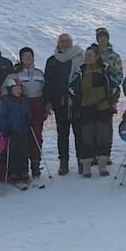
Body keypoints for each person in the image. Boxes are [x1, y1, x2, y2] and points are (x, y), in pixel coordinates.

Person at [68, 45, 119, 178]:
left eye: (90, 55)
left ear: (97, 57)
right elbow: (71, 88)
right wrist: (78, 99)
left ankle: (102, 165)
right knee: (86, 138)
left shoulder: (105, 70)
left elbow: (115, 86)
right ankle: (86, 167)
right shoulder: (80, 72)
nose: (87, 58)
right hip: (86, 109)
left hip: (103, 109)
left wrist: (111, 98)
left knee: (103, 137)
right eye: (86, 55)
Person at [44, 34, 84, 175]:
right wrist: (48, 101)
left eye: (67, 41)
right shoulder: (52, 61)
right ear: (58, 43)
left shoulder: (80, 57)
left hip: (77, 102)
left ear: (72, 42)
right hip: (60, 103)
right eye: (62, 41)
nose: (65, 43)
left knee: (80, 133)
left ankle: (82, 161)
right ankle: (63, 162)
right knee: (62, 134)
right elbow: (47, 83)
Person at [13, 47, 46, 178]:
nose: (27, 58)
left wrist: (46, 105)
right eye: (25, 56)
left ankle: (35, 163)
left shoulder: (39, 73)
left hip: (37, 105)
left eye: (29, 56)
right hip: (23, 105)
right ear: (21, 58)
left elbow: (45, 89)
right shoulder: (17, 74)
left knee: (36, 135)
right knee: (23, 136)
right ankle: (23, 166)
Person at [0, 76, 32, 184]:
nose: (18, 90)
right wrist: (4, 127)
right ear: (10, 89)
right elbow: (3, 115)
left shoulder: (24, 100)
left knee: (24, 150)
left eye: (20, 88)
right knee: (13, 151)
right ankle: (13, 172)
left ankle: (24, 171)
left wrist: (29, 119)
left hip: (23, 129)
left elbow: (27, 112)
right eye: (16, 88)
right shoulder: (7, 101)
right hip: (12, 130)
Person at [94, 27, 123, 97]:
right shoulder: (92, 54)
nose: (103, 39)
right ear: (97, 39)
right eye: (100, 37)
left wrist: (111, 85)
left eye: (105, 36)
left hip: (108, 91)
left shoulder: (115, 56)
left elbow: (119, 75)